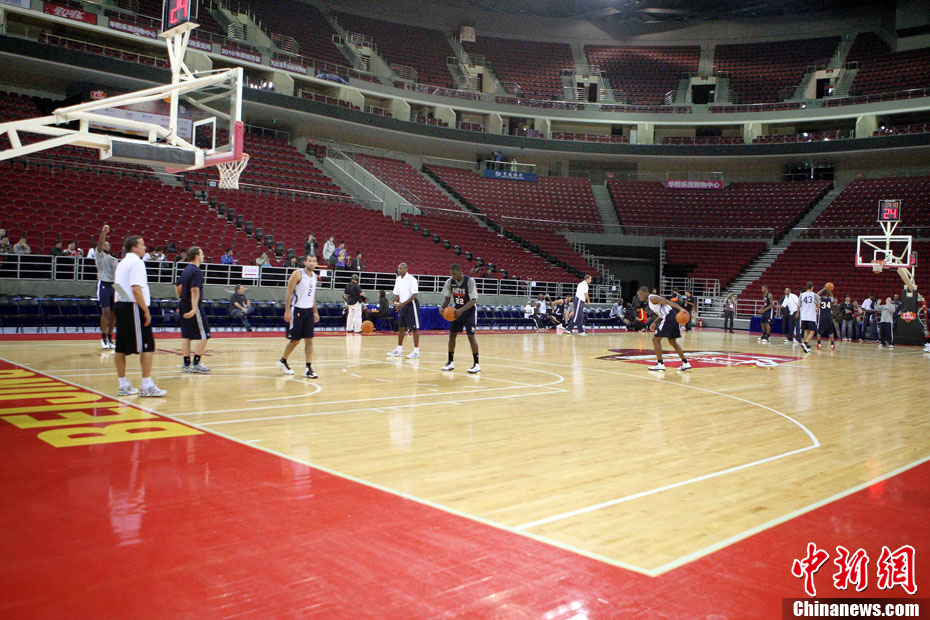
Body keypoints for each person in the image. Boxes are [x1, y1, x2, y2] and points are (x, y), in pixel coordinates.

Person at [113, 235, 166, 397]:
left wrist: (124, 301)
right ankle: (146, 385)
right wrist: (144, 310)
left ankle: (123, 385)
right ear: (134, 248)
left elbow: (118, 286)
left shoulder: (121, 263)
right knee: (148, 346)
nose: (145, 248)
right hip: (133, 307)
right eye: (142, 245)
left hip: (121, 305)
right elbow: (136, 288)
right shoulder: (137, 262)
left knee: (120, 347)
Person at [277, 255, 320, 378]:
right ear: (305, 262)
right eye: (309, 261)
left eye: (314, 261)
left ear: (316, 263)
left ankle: (308, 368)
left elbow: (312, 296)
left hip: (308, 311)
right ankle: (283, 361)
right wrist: (287, 311)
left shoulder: (314, 276)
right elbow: (289, 292)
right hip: (297, 310)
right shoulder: (298, 274)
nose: (311, 263)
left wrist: (315, 312)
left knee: (309, 340)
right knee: (295, 340)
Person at [636, 286, 691, 371]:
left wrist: (681, 309)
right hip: (673, 317)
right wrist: (655, 322)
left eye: (640, 294)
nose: (639, 297)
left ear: (644, 292)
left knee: (655, 340)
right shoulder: (651, 301)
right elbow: (662, 313)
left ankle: (660, 364)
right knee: (672, 342)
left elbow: (668, 302)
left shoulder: (652, 298)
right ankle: (685, 363)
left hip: (668, 317)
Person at [439, 263, 480, 373]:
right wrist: (442, 307)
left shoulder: (470, 281)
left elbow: (473, 300)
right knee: (452, 335)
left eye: (454, 273)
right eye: (451, 274)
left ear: (460, 271)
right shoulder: (449, 282)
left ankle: (476, 364)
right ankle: (450, 362)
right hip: (456, 310)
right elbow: (447, 299)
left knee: (471, 336)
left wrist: (461, 310)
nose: (453, 276)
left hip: (469, 310)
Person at [178, 246, 211, 373]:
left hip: (183, 303)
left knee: (186, 335)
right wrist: (194, 308)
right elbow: (195, 290)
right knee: (205, 334)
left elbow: (178, 286)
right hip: (192, 305)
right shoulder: (196, 271)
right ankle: (196, 363)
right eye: (201, 254)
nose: (203, 256)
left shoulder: (186, 269)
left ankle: (186, 364)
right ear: (197, 256)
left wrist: (181, 300)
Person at [387, 262, 420, 359]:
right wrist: (393, 301)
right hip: (403, 305)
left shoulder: (412, 279)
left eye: (401, 268)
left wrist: (402, 304)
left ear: (406, 269)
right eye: (398, 268)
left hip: (411, 304)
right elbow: (397, 294)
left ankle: (416, 351)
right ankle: (399, 350)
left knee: (414, 328)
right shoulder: (398, 280)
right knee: (401, 327)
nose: (399, 270)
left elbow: (414, 295)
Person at [94, 225, 119, 349]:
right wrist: (104, 232)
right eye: (105, 244)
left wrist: (124, 294)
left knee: (114, 313)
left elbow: (119, 277)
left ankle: (110, 338)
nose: (106, 246)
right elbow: (99, 244)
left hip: (115, 285)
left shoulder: (114, 259)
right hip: (104, 284)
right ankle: (103, 338)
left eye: (108, 245)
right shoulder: (100, 255)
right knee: (106, 311)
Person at [798, 282, 820, 354]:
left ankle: (807, 346)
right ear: (812, 287)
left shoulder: (802, 295)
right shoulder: (815, 295)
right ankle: (805, 343)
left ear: (806, 287)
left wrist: (799, 312)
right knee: (812, 331)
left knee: (806, 330)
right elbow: (818, 305)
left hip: (804, 315)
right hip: (811, 316)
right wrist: (816, 308)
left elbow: (799, 306)